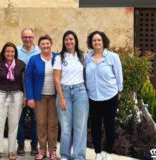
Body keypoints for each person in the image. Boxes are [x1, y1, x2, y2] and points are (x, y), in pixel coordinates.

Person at [85, 31, 123, 160]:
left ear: (103, 42)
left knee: (109, 125)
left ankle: (108, 152)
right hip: (93, 97)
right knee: (95, 126)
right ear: (91, 42)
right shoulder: (87, 58)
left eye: (99, 40)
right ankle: (98, 152)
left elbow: (119, 75)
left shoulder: (113, 57)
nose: (97, 42)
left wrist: (119, 91)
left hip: (110, 96)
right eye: (94, 40)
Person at [53, 30, 89, 160]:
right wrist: (61, 97)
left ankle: (79, 156)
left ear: (75, 41)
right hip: (65, 93)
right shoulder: (59, 57)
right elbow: (56, 79)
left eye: (71, 39)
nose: (69, 41)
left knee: (80, 127)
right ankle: (65, 155)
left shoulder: (82, 56)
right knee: (66, 127)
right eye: (66, 39)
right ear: (63, 42)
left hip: (80, 92)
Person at [25, 35, 58, 160]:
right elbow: (28, 78)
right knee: (41, 123)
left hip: (54, 96)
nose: (45, 46)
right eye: (43, 44)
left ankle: (53, 151)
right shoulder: (34, 59)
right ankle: (42, 150)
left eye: (47, 43)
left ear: (51, 44)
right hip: (39, 97)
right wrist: (30, 97)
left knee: (53, 124)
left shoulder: (57, 58)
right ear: (39, 46)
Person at [0, 42, 26, 160]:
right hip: (1, 94)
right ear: (4, 52)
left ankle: (12, 151)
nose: (10, 53)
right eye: (7, 51)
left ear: (15, 53)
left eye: (12, 51)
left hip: (16, 95)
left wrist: (25, 97)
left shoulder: (21, 65)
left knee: (14, 124)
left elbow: (24, 82)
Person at [17, 27, 40, 155]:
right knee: (19, 119)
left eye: (30, 37)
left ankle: (34, 146)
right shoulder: (16, 50)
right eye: (25, 37)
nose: (27, 39)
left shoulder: (39, 51)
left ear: (34, 37)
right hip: (19, 91)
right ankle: (20, 144)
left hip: (35, 92)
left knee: (35, 120)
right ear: (21, 38)